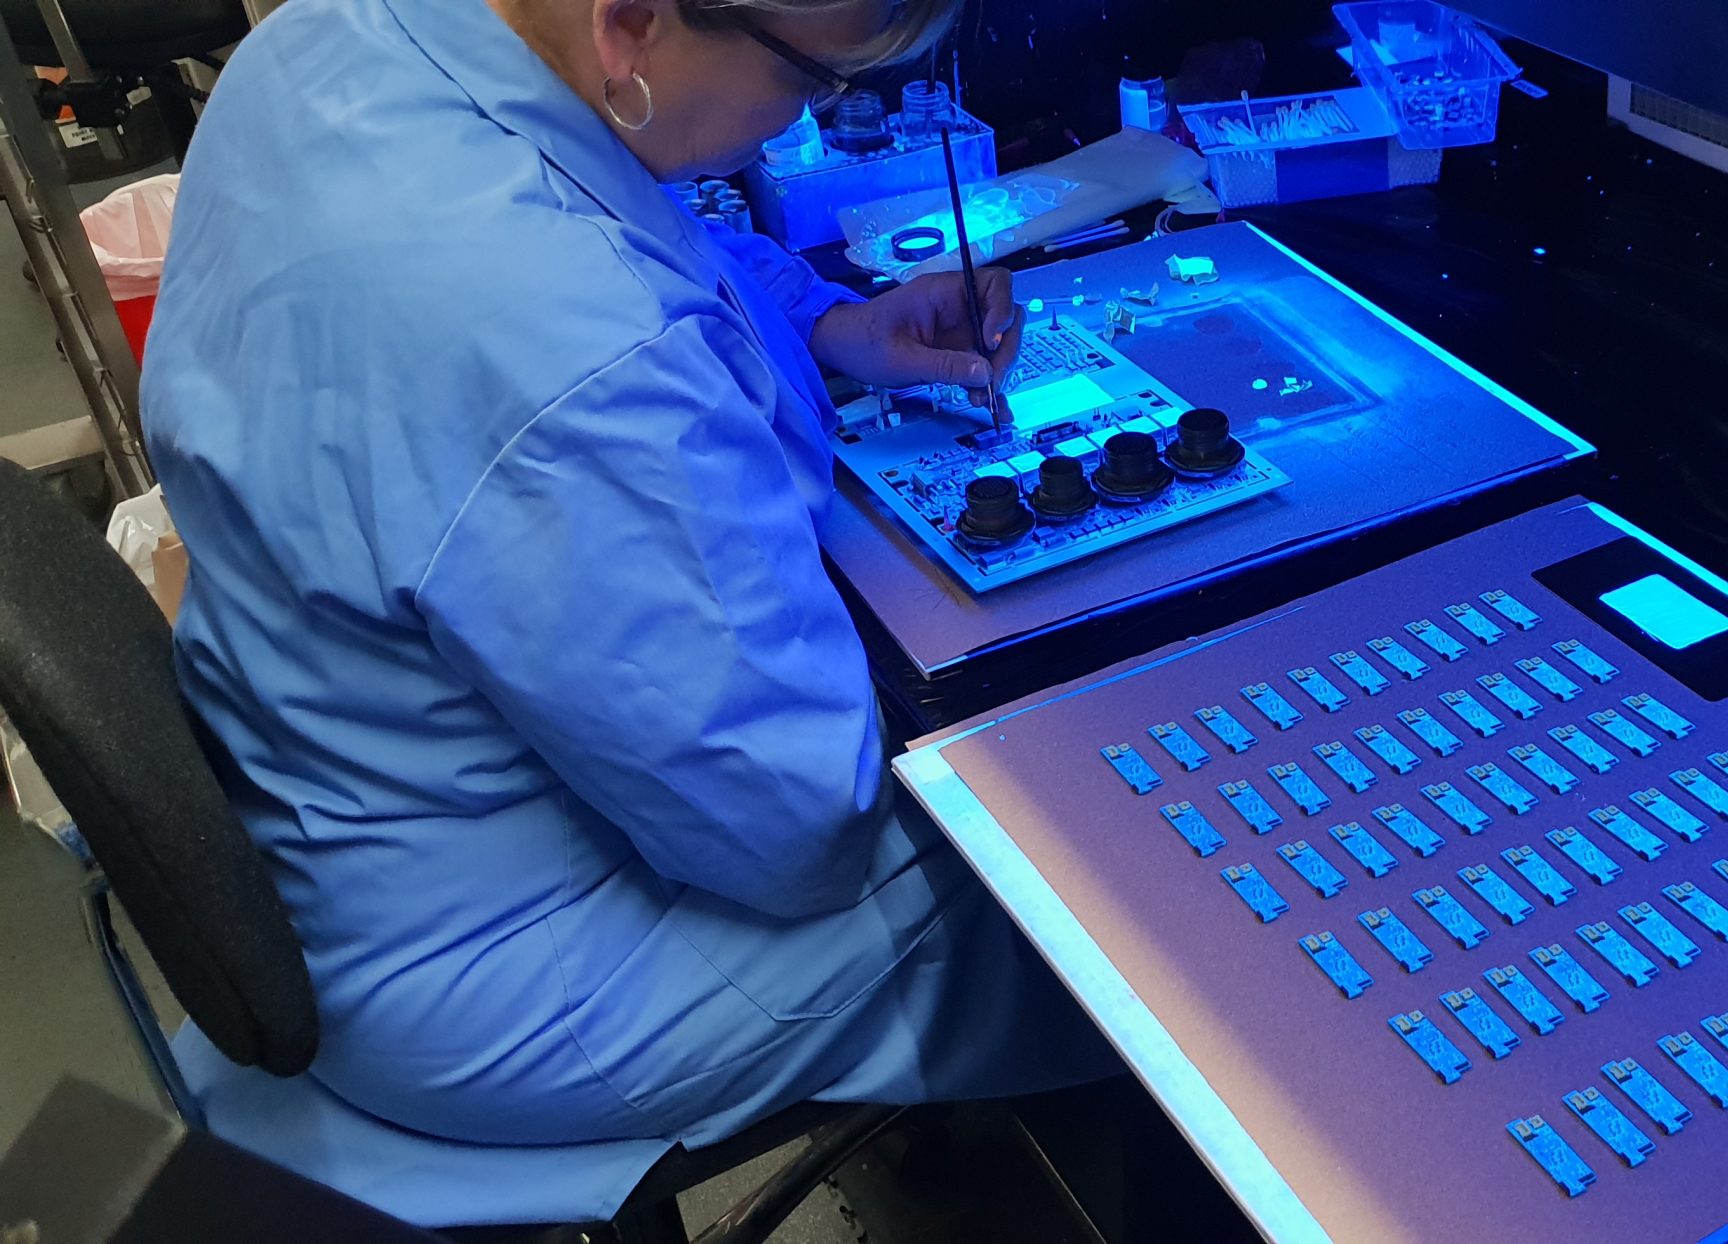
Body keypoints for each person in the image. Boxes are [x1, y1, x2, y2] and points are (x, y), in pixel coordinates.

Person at [142, 0, 1115, 1223]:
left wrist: (823, 323)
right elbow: (800, 824)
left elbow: (639, 220)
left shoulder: (329, 39)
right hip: (508, 973)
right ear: (633, 24)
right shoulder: (564, 346)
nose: (799, 125)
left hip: (329, 817)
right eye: (812, 83)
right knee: (1094, 856)